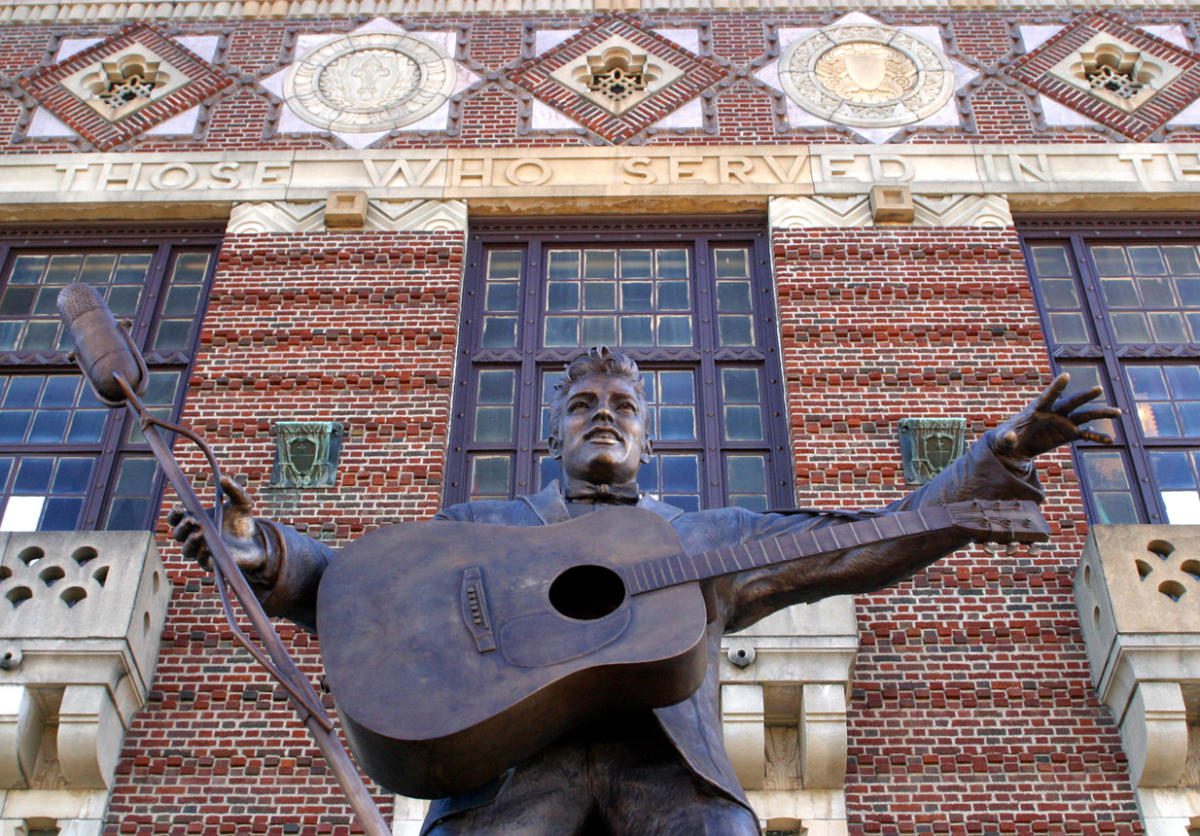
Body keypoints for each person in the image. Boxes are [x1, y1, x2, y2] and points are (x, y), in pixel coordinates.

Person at [170, 346, 1117, 836]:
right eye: (583, 406)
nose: (603, 418)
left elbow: (858, 544)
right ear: (554, 432)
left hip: (674, 784)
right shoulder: (487, 528)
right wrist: (261, 552)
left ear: (649, 437)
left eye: (623, 408)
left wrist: (999, 455)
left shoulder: (700, 538)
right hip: (503, 783)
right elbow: (358, 587)